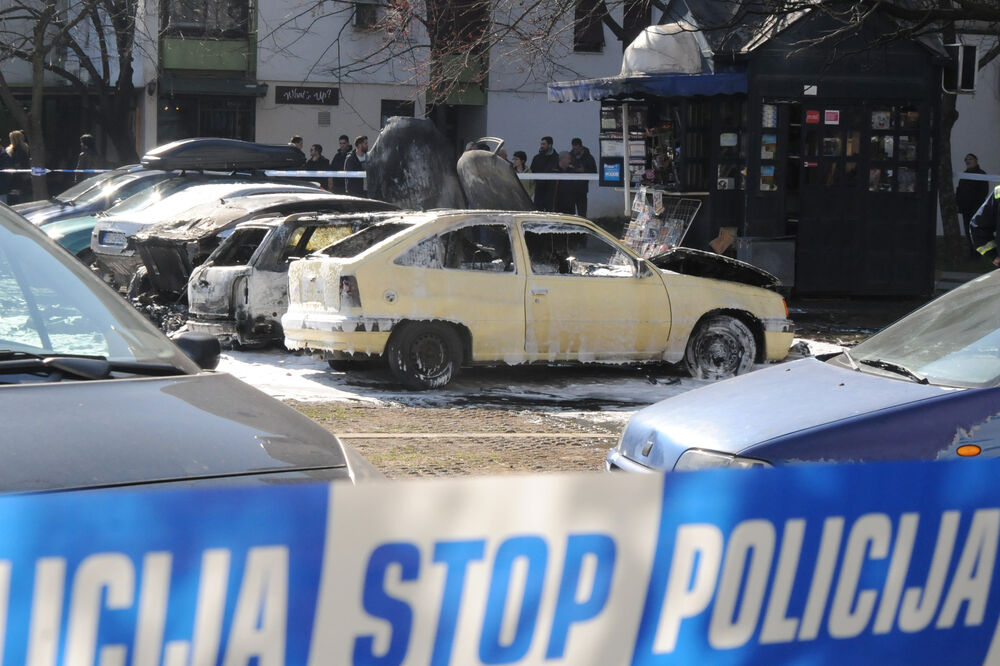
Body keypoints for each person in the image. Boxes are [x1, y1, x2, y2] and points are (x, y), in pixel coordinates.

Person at [956, 153, 990, 258]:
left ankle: (979, 254)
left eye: (970, 159)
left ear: (976, 161)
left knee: (977, 232)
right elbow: (959, 190)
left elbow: (983, 192)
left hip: (976, 208)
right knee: (968, 231)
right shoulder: (964, 175)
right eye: (966, 159)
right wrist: (958, 203)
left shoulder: (981, 174)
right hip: (965, 209)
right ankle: (972, 253)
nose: (967, 161)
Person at [529, 136, 560, 211]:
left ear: (550, 145)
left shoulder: (557, 158)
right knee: (537, 210)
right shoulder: (537, 158)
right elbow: (532, 171)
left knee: (550, 211)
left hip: (552, 191)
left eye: (544, 144)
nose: (541, 146)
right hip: (539, 189)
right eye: (541, 144)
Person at [568, 137, 597, 217]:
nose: (575, 151)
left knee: (582, 213)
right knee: (570, 214)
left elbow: (594, 172)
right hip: (571, 189)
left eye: (577, 149)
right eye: (574, 149)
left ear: (581, 147)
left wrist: (584, 171)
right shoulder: (570, 156)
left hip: (582, 189)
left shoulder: (588, 158)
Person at [6, 130, 29, 204]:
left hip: (16, 179)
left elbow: (17, 164)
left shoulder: (18, 150)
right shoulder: (23, 149)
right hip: (19, 177)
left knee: (14, 198)